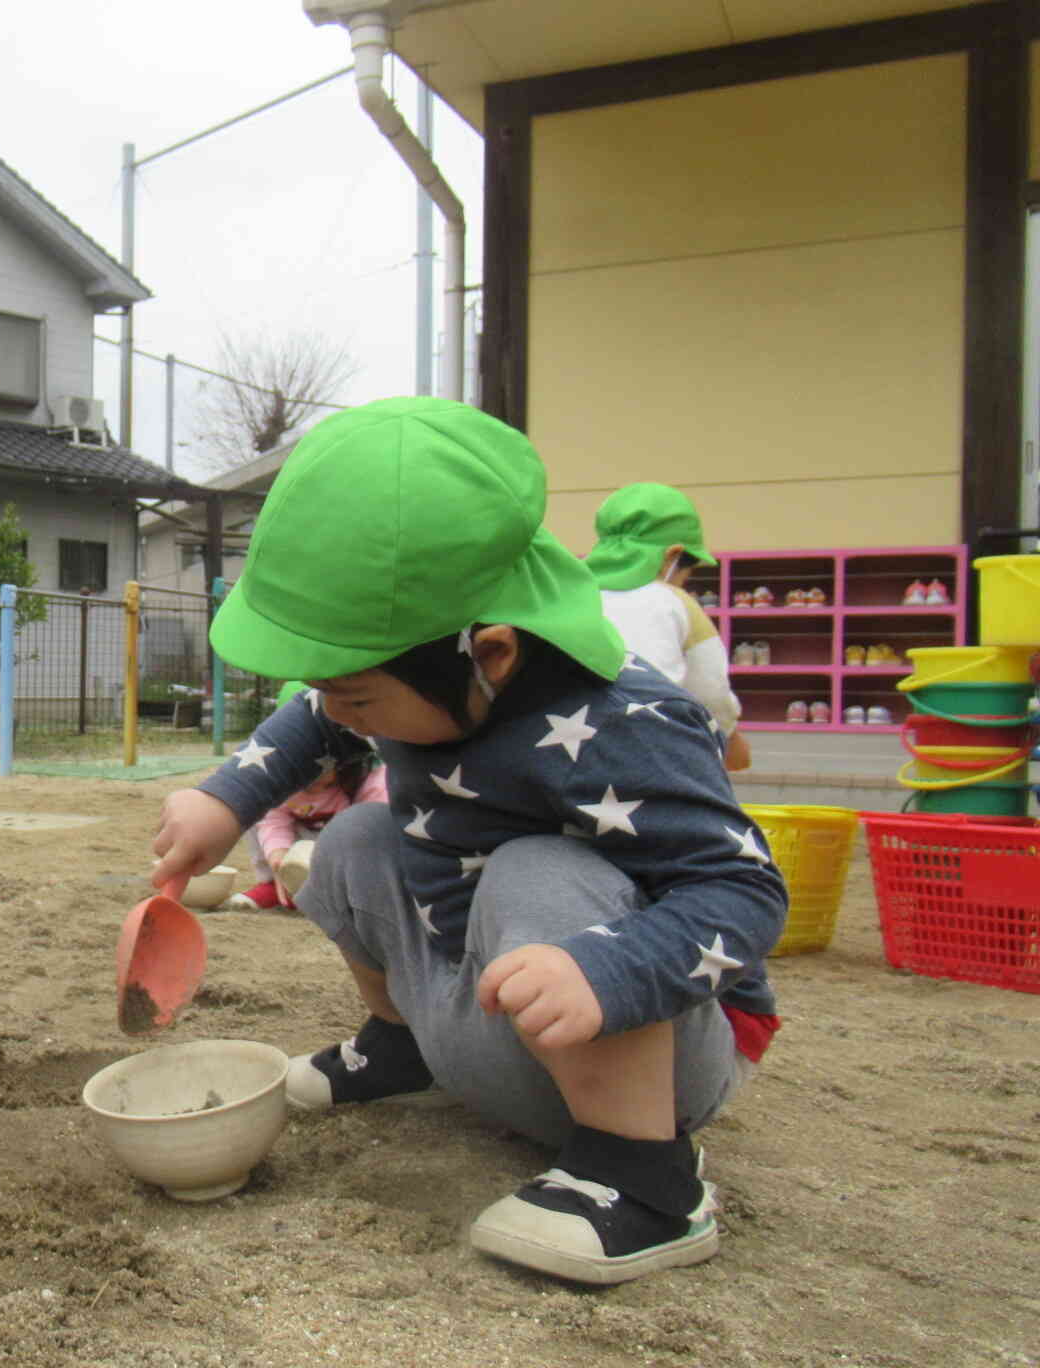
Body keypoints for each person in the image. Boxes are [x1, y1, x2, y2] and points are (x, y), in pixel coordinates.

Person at [151, 398, 786, 1286]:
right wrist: (223, 799)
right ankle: (405, 1045)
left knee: (539, 867)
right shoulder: (417, 672)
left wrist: (606, 969)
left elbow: (746, 893)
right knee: (358, 837)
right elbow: (314, 719)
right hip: (493, 1015)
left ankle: (645, 1182)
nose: (338, 714)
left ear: (488, 653)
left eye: (357, 699)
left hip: (652, 1041)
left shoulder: (628, 722)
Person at [583, 482, 752, 771]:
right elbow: (711, 691)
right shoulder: (674, 601)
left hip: (567, 746)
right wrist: (729, 736)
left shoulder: (570, 595)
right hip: (648, 752)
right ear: (672, 556)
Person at [223, 680, 385, 910]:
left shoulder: (369, 776)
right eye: (298, 767)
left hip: (346, 851)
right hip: (300, 843)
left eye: (323, 769)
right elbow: (275, 819)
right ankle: (274, 886)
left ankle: (343, 897)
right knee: (254, 811)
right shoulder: (277, 774)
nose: (310, 778)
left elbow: (372, 834)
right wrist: (279, 859)